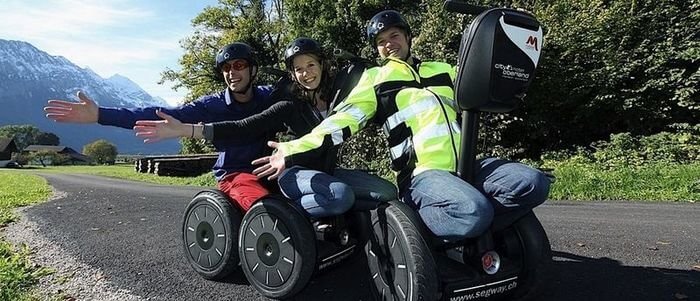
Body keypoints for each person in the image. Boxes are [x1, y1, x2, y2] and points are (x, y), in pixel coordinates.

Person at [252, 10, 551, 241]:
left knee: (534, 183)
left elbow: (485, 75)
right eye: (381, 42)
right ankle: (416, 229)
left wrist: (507, 40)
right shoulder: (375, 80)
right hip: (423, 175)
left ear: (408, 37)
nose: (388, 45)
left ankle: (470, 224)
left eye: (393, 36)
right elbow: (341, 121)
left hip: (467, 167)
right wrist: (291, 149)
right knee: (474, 211)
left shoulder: (443, 70)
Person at [132, 37, 397, 218]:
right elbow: (243, 126)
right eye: (298, 69)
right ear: (292, 75)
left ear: (322, 65)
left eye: (310, 65)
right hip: (293, 173)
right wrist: (188, 130)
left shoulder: (341, 99)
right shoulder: (289, 106)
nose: (306, 73)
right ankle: (285, 215)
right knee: (340, 196)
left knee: (387, 191)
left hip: (327, 169)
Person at [44, 42, 280, 212]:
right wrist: (99, 114)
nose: (232, 72)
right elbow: (159, 114)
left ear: (253, 70)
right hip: (236, 174)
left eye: (238, 65)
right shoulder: (211, 105)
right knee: (265, 209)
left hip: (273, 168)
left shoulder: (270, 96)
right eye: (226, 68)